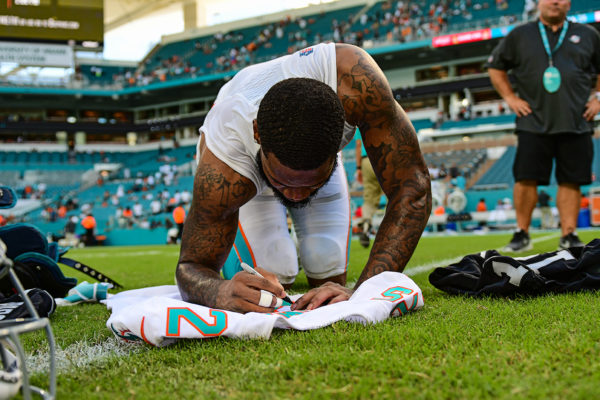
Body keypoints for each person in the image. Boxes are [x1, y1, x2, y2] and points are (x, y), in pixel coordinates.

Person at [176, 43, 431, 314]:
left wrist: (363, 290)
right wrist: (220, 291)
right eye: (284, 183)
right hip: (243, 154)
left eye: (310, 184)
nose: (296, 196)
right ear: (258, 135)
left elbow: (413, 189)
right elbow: (191, 266)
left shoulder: (356, 82)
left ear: (337, 145)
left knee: (326, 265)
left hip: (295, 150)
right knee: (273, 270)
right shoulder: (225, 161)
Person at [487, 0, 600, 252]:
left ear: (569, 4)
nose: (555, 2)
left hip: (576, 120)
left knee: (571, 180)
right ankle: (521, 233)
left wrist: (598, 98)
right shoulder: (519, 34)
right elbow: (495, 67)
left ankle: (569, 234)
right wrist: (510, 98)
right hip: (532, 120)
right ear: (538, 2)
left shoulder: (588, 34)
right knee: (525, 179)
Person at [354, 129, 384, 248]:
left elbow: (358, 145)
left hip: (366, 160)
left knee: (369, 199)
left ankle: (366, 223)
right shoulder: (383, 113)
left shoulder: (360, 121)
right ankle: (392, 230)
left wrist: (358, 168)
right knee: (391, 196)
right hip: (381, 156)